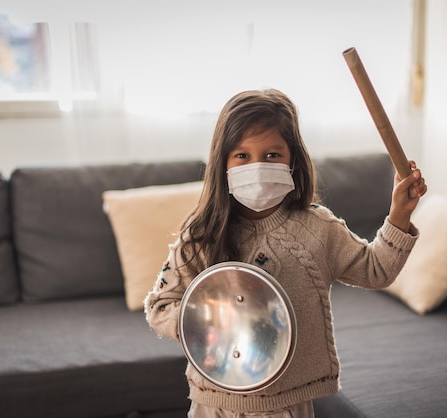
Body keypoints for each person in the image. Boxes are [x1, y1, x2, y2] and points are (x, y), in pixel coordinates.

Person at [144, 89, 427, 417]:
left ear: (293, 159)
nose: (257, 167)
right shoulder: (201, 234)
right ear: (222, 162)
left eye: (272, 155)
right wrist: (207, 321)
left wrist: (399, 214)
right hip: (214, 404)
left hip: (287, 404)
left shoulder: (318, 227)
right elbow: (160, 305)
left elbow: (376, 270)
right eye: (242, 156)